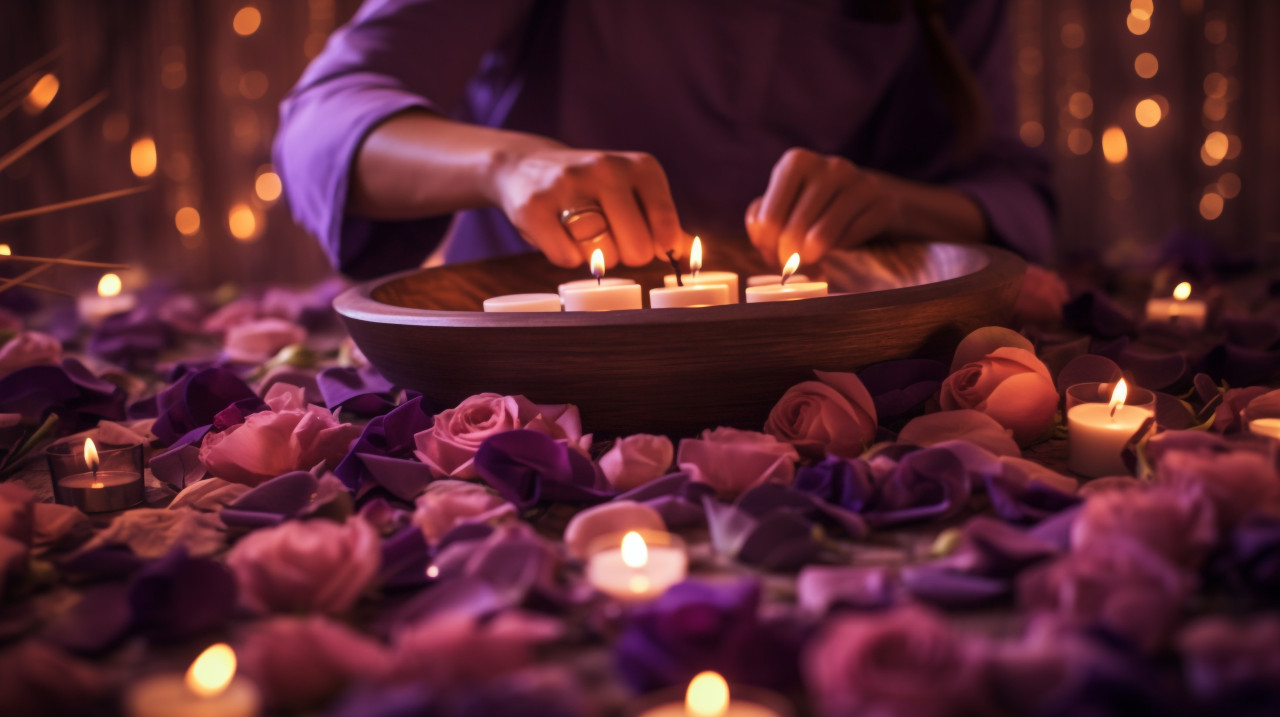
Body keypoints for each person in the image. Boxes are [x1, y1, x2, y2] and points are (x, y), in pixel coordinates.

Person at [275, 0, 1053, 280]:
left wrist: (893, 202)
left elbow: (1015, 195)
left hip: (822, 392)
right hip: (529, 393)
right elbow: (319, 125)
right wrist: (510, 164)